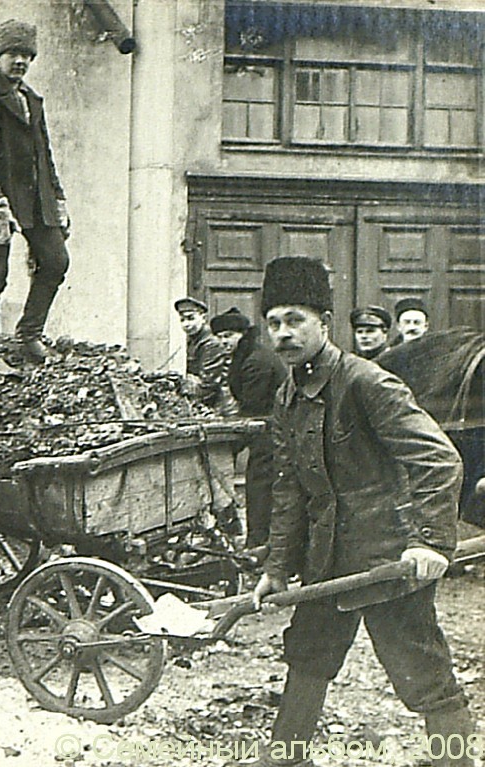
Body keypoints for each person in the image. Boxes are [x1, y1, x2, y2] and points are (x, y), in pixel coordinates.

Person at [239, 257, 474, 767]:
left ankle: (454, 760)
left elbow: (439, 459)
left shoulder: (368, 383)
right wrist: (277, 569)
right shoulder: (288, 395)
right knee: (309, 653)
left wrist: (429, 542)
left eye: (295, 319)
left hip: (387, 554)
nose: (283, 333)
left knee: (421, 669)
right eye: (274, 322)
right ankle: (285, 755)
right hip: (327, 555)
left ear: (324, 321)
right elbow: (289, 490)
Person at [0, 19, 70, 362]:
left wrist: (58, 197)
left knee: (55, 260)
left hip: (35, 199)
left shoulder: (32, 100)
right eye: (12, 54)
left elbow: (44, 153)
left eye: (25, 54)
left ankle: (29, 336)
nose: (19, 61)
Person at [211, 308, 287, 548]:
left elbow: (251, 407)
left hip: (271, 431)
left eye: (229, 336)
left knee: (260, 487)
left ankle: (259, 544)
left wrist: (228, 445)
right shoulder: (246, 354)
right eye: (220, 337)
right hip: (263, 427)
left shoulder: (256, 361)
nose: (224, 342)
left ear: (243, 334)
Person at [175, 297, 233, 412]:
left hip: (219, 406)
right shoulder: (194, 341)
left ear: (203, 318)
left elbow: (209, 384)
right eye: (182, 320)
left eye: (191, 318)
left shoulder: (211, 344)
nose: (186, 324)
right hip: (206, 401)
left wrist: (185, 391)